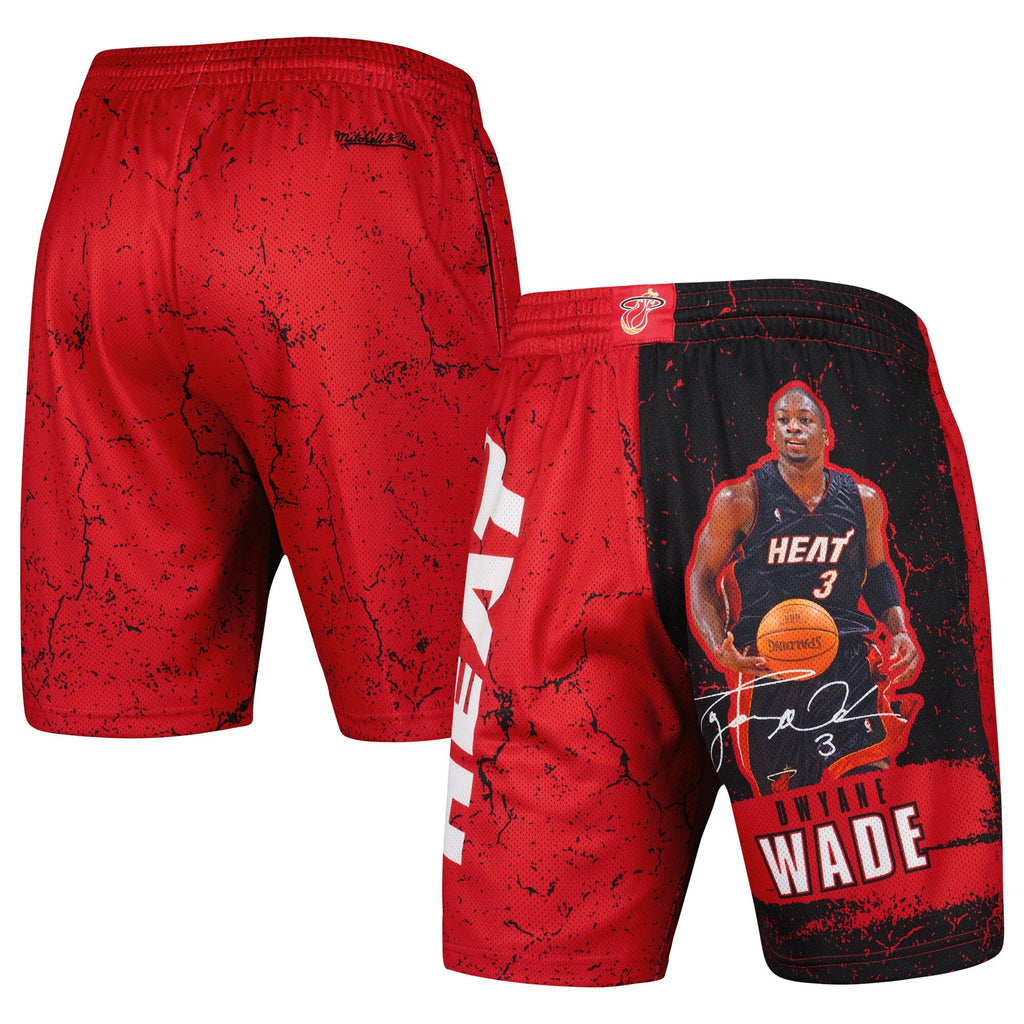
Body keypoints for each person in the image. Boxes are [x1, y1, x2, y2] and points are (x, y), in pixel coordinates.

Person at [687, 383, 923, 794]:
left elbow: (877, 570)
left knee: (869, 789)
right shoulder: (739, 500)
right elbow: (702, 577)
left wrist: (899, 628)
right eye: (784, 420)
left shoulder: (863, 500)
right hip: (769, 664)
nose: (793, 427)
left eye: (804, 420)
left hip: (845, 658)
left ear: (827, 436)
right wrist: (717, 644)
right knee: (790, 808)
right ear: (772, 434)